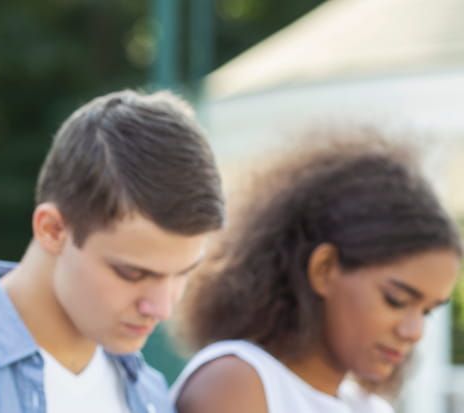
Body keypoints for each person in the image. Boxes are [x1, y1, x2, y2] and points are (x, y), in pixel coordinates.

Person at [0, 90, 225, 412]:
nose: (161, 308)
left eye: (183, 274)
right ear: (53, 230)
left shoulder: (153, 396)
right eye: (132, 273)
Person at [172, 130, 460, 413]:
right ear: (324, 269)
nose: (414, 332)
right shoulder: (238, 382)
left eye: (427, 311)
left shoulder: (370, 407)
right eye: (396, 300)